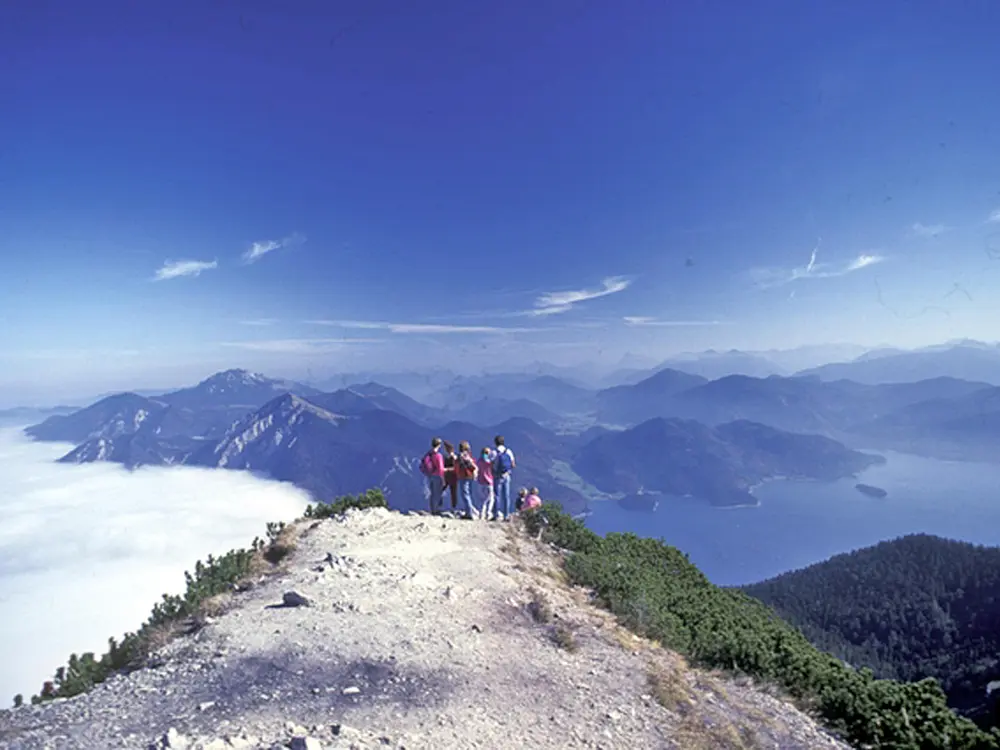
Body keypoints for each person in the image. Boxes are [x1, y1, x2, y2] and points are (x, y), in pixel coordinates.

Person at [419, 437, 446, 513]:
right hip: (438, 475)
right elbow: (440, 468)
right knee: (438, 493)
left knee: (433, 493)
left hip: (430, 475)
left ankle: (432, 509)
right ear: (439, 445)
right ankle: (436, 509)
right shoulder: (438, 455)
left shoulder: (429, 454)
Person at [492, 435, 516, 521]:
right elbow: (513, 464)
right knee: (506, 496)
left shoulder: (494, 452)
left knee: (496, 496)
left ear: (495, 442)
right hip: (507, 475)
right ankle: (506, 515)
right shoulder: (508, 451)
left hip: (497, 476)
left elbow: (491, 464)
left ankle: (495, 515)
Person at [455, 441, 480, 518]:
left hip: (463, 476)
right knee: (467, 493)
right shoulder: (468, 456)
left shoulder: (461, 456)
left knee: (465, 494)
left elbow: (459, 464)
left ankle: (469, 513)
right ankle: (470, 511)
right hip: (470, 476)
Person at [476, 446, 495, 521]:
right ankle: (488, 513)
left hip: (480, 482)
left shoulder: (479, 461)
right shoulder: (489, 462)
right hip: (488, 482)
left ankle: (481, 513)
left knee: (482, 499)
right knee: (490, 499)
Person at [442, 440, 458, 511]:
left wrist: (447, 469)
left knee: (453, 492)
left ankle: (454, 507)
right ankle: (440, 504)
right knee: (441, 490)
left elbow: (456, 467)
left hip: (452, 476)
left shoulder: (454, 457)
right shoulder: (445, 456)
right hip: (446, 476)